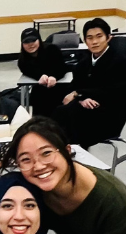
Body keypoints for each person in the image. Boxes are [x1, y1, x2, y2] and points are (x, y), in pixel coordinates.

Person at [52, 17, 126, 149]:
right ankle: (65, 151)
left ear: (108, 37)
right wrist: (82, 98)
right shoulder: (83, 63)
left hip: (109, 114)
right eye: (90, 38)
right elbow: (75, 86)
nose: (95, 42)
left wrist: (79, 94)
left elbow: (113, 91)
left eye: (99, 36)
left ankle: (73, 155)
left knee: (71, 114)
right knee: (60, 109)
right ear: (85, 41)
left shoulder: (119, 61)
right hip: (85, 109)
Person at [17, 28, 70, 117]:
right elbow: (30, 72)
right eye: (26, 42)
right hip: (40, 91)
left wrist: (54, 76)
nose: (30, 44)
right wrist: (40, 76)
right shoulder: (22, 60)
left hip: (59, 87)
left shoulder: (52, 49)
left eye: (33, 40)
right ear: (22, 44)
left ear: (39, 40)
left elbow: (62, 67)